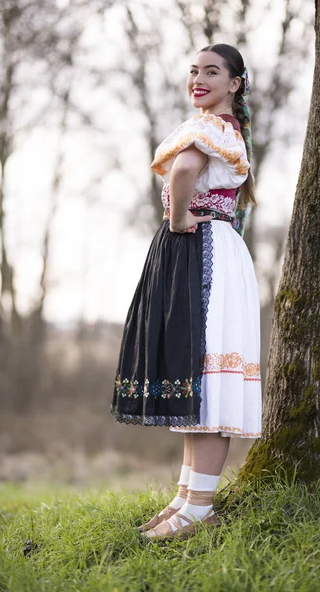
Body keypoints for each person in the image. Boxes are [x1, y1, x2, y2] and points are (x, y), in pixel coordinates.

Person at [110, 43, 262, 540]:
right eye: (195, 71)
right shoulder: (217, 129)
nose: (199, 79)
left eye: (212, 72)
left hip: (206, 250)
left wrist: (178, 220)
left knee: (210, 381)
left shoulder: (213, 129)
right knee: (202, 382)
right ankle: (188, 500)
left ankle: (199, 509)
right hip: (203, 249)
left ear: (234, 83)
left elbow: (181, 172)